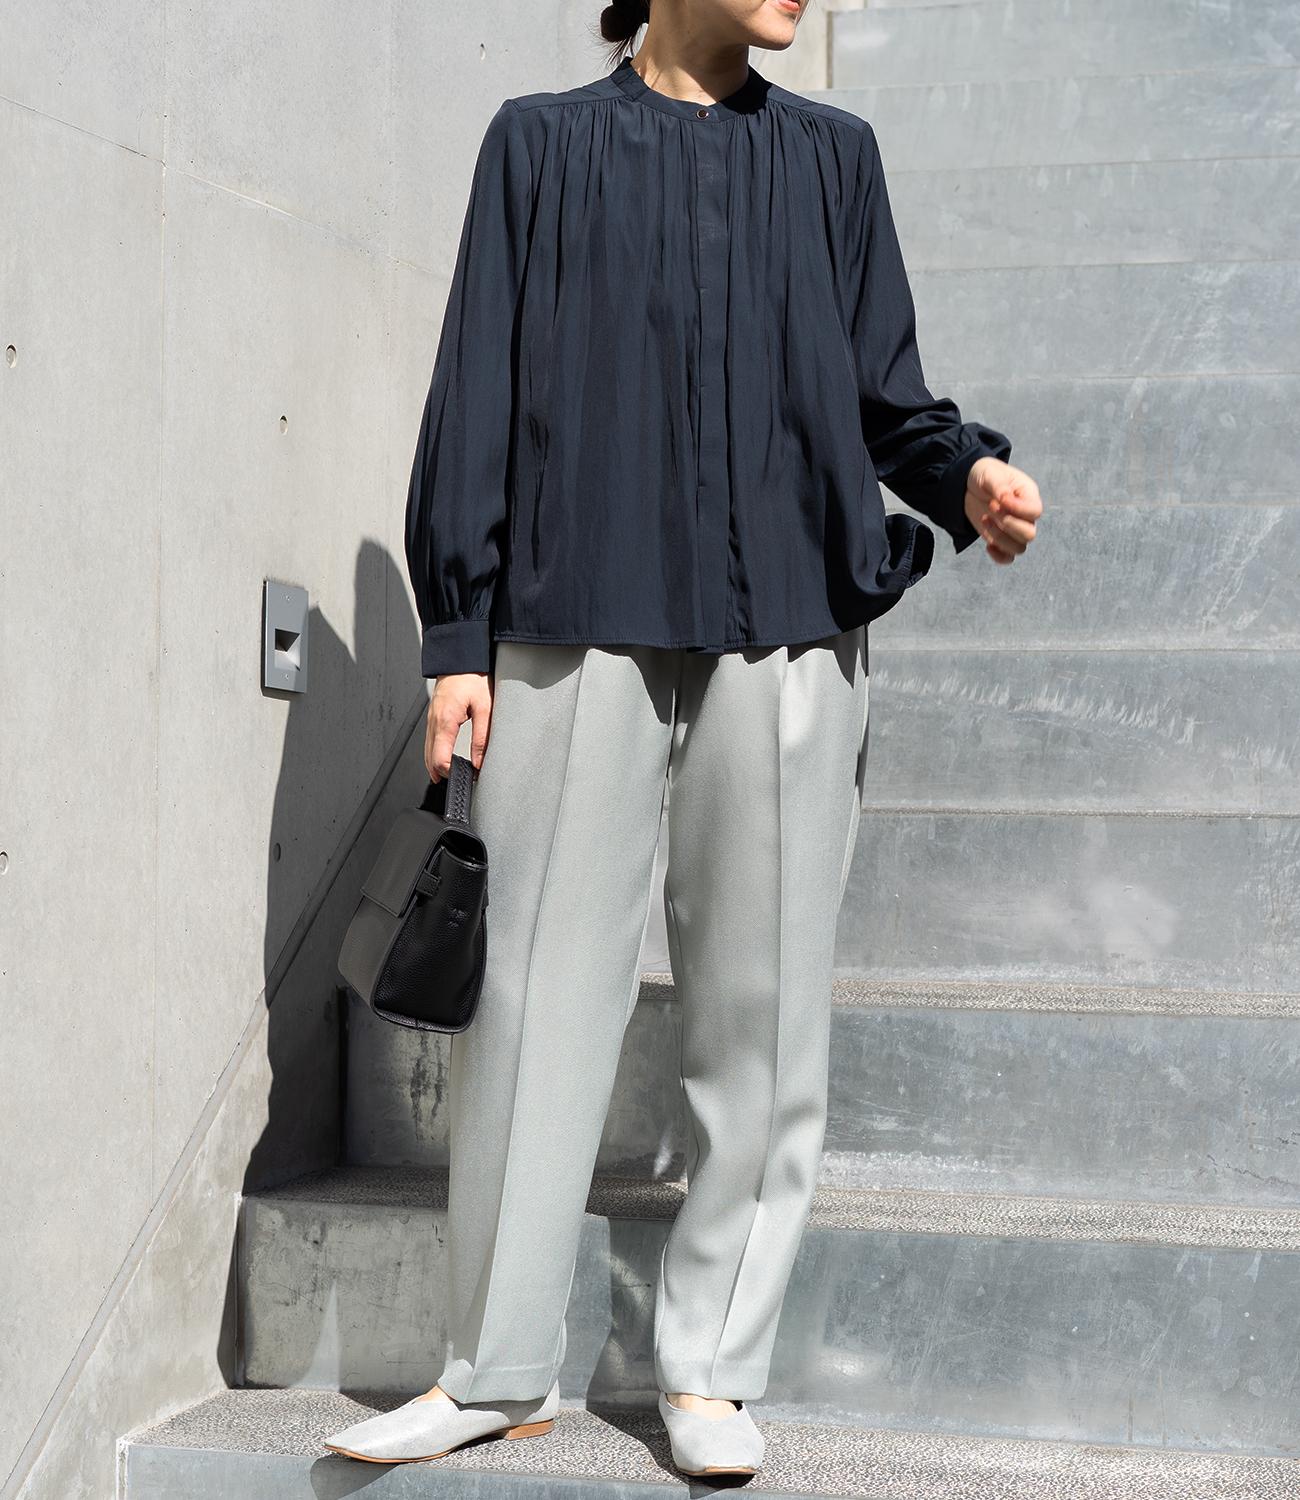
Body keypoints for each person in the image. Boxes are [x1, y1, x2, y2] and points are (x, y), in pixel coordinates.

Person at [325, 0, 1041, 1478]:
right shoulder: (539, 147)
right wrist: (456, 638)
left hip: (789, 626)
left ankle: (712, 1370)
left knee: (762, 1019)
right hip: (570, 613)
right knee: (533, 1002)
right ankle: (495, 1368)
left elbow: (886, 393)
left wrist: (964, 473)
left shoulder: (835, 158)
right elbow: (475, 390)